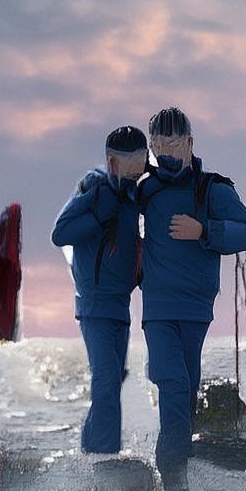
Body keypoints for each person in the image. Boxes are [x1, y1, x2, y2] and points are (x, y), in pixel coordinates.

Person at [137, 107, 246, 489]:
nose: (165, 152)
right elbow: (111, 214)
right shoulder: (145, 189)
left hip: (196, 308)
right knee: (173, 382)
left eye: (172, 143)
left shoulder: (212, 189)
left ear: (189, 142)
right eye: (158, 145)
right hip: (158, 307)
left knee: (186, 388)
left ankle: (177, 481)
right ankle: (174, 483)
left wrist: (204, 230)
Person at [51, 126, 147, 454]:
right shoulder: (93, 185)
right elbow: (60, 234)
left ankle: (92, 454)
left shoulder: (134, 193)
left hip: (121, 305)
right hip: (93, 305)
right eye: (131, 164)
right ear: (113, 161)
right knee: (106, 382)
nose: (136, 171)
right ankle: (105, 460)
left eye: (141, 162)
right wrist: (96, 216)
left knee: (114, 381)